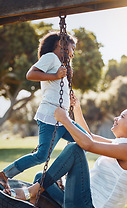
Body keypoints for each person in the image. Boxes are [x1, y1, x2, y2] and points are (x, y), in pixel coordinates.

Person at [3, 96, 127, 208]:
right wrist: (77, 108)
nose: (116, 118)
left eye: (121, 117)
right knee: (41, 175)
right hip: (81, 205)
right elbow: (89, 136)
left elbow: (86, 144)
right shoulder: (121, 145)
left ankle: (32, 192)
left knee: (75, 149)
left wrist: (65, 119)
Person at [0, 32, 87, 190]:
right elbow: (30, 74)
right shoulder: (51, 57)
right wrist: (55, 75)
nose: (73, 52)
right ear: (61, 45)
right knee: (41, 156)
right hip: (49, 117)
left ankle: (61, 176)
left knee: (85, 142)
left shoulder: (61, 65)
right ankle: (4, 174)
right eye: (72, 48)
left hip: (62, 118)